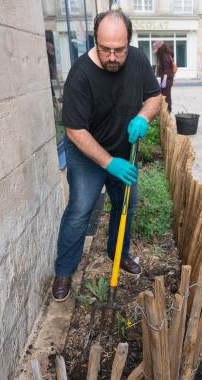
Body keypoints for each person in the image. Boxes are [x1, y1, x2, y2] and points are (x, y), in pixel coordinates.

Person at [52, 9, 162, 302]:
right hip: (87, 155)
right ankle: (64, 270)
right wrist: (108, 163)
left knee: (125, 205)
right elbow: (75, 131)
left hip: (124, 151)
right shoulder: (80, 75)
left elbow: (155, 96)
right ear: (94, 41)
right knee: (80, 210)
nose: (112, 57)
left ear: (129, 42)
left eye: (119, 50)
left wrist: (143, 116)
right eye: (105, 50)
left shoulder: (137, 60)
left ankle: (118, 254)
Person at [153, 41, 175, 113]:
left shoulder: (164, 56)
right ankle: (167, 110)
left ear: (160, 48)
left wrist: (164, 81)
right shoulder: (168, 54)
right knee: (166, 95)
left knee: (166, 96)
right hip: (169, 78)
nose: (156, 53)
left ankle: (167, 111)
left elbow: (166, 69)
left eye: (156, 50)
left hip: (167, 79)